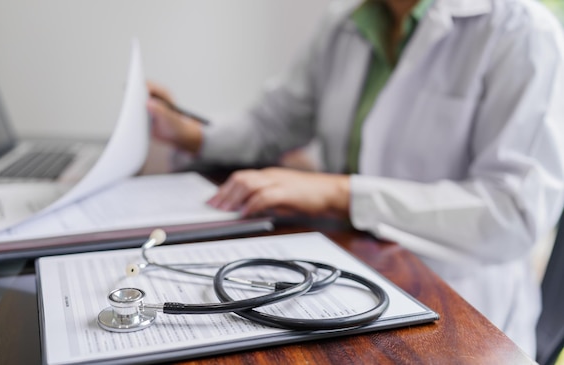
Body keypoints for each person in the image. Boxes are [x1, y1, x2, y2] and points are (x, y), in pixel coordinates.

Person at [146, 0, 564, 358]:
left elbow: (514, 213)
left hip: (459, 304)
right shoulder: (348, 20)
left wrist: (341, 193)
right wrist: (188, 132)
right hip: (346, 271)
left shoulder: (521, 31)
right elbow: (272, 124)